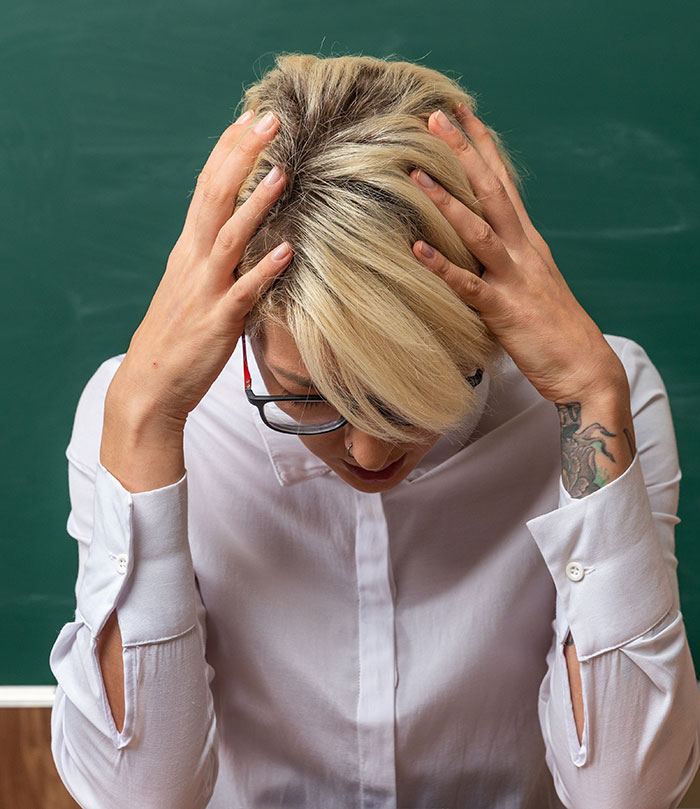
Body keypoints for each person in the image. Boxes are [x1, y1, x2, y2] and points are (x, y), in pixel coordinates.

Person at [49, 53, 700, 809]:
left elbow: (629, 791)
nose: (365, 451)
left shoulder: (600, 400)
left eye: (405, 397)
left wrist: (591, 397)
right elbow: (136, 797)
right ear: (246, 324)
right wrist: (142, 427)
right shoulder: (139, 412)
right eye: (308, 397)